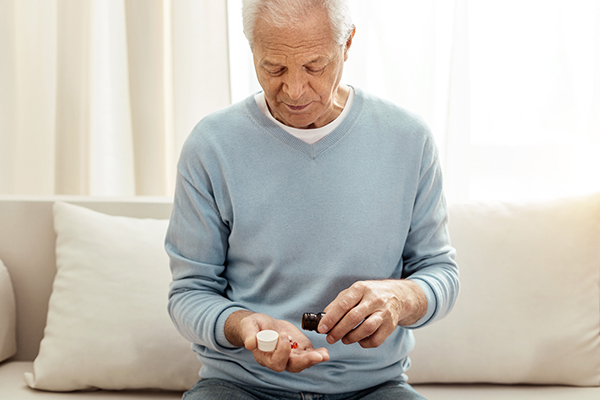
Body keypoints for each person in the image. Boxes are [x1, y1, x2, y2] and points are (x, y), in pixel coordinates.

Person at [165, 0, 459, 398]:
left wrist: (402, 297)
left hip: (373, 388)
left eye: (314, 66)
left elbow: (440, 272)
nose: (294, 90)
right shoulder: (212, 145)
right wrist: (244, 325)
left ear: (348, 43)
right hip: (241, 386)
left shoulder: (408, 139)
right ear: (252, 50)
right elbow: (189, 292)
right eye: (274, 68)